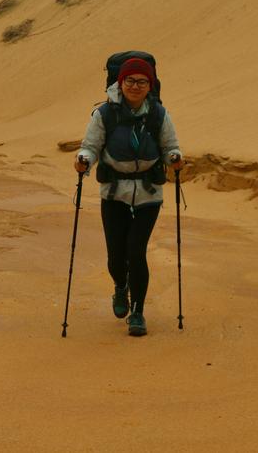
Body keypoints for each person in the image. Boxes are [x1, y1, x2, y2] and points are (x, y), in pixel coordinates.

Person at [73, 57, 183, 336]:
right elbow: (91, 146)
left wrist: (175, 158)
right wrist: (84, 161)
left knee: (136, 252)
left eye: (142, 81)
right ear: (120, 83)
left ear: (150, 85)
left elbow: (170, 145)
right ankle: (120, 288)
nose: (135, 86)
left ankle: (137, 311)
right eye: (130, 80)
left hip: (148, 193)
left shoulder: (159, 114)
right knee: (115, 257)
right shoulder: (104, 115)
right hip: (113, 192)